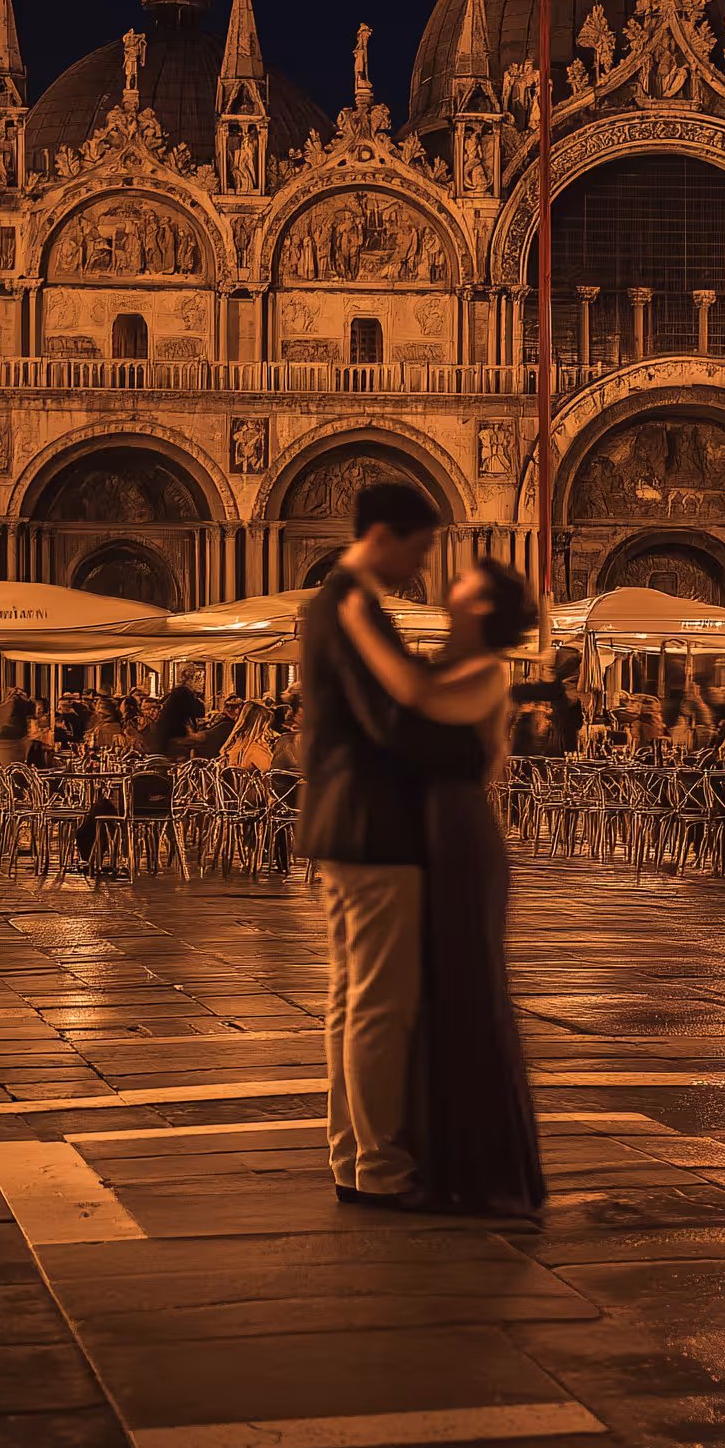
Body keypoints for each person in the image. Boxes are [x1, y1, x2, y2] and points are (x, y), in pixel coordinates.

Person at [334, 559, 547, 1217]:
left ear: (483, 608)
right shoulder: (446, 663)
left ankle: (471, 1165)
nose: (450, 586)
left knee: (463, 988)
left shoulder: (486, 672)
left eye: (465, 584)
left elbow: (416, 701)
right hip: (425, 835)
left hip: (459, 838)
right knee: (424, 995)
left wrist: (360, 626)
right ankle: (429, 1154)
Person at [296, 481, 461, 1212]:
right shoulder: (354, 607)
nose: (418, 565)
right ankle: (382, 1165)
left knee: (351, 999)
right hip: (374, 822)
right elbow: (388, 720)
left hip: (344, 821)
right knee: (379, 1003)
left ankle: (354, 1156)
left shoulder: (331, 603)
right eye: (420, 548)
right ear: (387, 536)